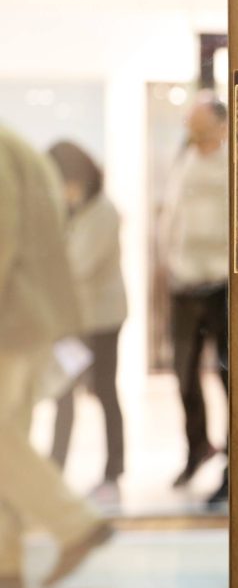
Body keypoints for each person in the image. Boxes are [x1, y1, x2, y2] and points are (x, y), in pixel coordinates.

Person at [0, 125, 113, 588]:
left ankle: (76, 524)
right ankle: (6, 565)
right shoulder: (16, 146)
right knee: (9, 440)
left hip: (12, 319)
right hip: (28, 318)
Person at [47, 141, 128, 504]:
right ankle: (54, 471)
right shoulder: (72, 209)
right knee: (62, 394)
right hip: (74, 322)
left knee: (104, 392)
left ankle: (113, 472)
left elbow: (76, 266)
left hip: (101, 321)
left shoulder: (103, 212)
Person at [161, 91, 229, 502]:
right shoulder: (182, 160)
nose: (192, 129)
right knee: (184, 376)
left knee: (228, 376)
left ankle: (232, 464)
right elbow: (173, 215)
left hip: (222, 284)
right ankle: (197, 448)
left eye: (199, 123)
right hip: (184, 283)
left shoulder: (233, 163)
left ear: (219, 125)